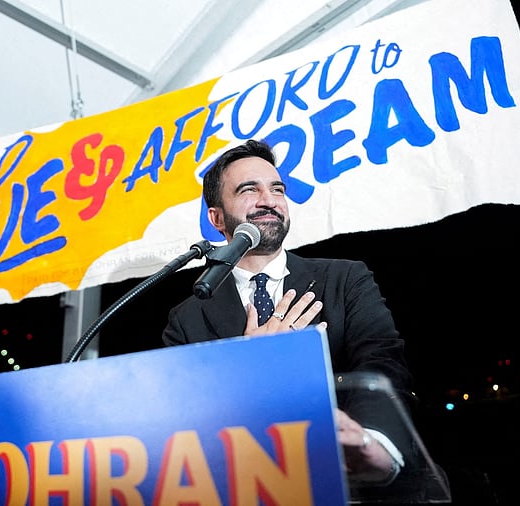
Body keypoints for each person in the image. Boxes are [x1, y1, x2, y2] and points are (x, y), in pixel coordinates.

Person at [162, 139, 415, 487]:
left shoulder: (344, 279)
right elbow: (184, 417)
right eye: (249, 189)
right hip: (251, 484)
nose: (269, 200)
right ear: (217, 218)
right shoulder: (188, 318)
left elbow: (382, 361)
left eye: (277, 189)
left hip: (357, 482)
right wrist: (248, 367)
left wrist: (373, 442)